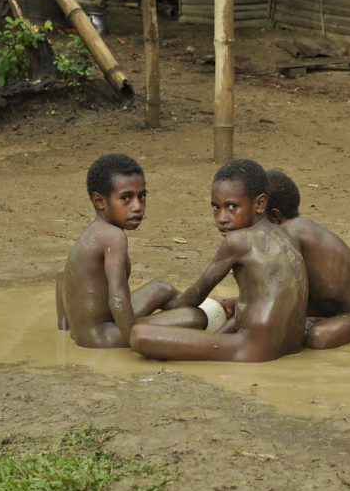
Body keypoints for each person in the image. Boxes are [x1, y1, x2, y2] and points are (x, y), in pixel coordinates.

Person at [129, 159, 309, 362]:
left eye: (232, 207)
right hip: (290, 349)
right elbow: (255, 306)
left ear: (260, 204)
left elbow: (192, 299)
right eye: (216, 207)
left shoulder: (238, 241)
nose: (221, 217)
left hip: (252, 350)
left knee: (139, 334)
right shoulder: (286, 236)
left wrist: (164, 301)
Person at [57, 153, 206, 348]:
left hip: (90, 330)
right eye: (126, 198)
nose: (137, 207)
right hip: (102, 336)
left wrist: (65, 328)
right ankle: (202, 312)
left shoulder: (94, 232)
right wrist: (134, 340)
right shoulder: (114, 237)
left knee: (161, 288)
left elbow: (61, 277)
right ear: (100, 201)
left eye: (141, 196)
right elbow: (118, 299)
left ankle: (208, 305)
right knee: (195, 317)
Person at [265, 170, 350, 349]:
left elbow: (285, 293)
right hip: (326, 310)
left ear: (274, 216)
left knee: (317, 338)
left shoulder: (291, 232)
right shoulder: (293, 228)